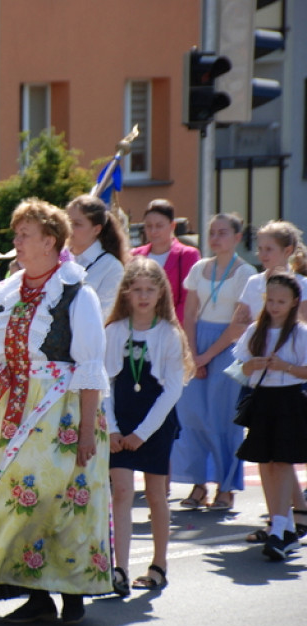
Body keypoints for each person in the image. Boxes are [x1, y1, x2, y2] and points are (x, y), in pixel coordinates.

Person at [0, 198, 111, 625]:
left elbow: (89, 365)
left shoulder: (77, 294)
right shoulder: (5, 296)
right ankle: (35, 592)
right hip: (8, 409)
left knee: (58, 500)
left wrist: (84, 430)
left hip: (60, 412)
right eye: (16, 234)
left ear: (50, 241)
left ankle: (72, 589)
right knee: (14, 500)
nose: (17, 243)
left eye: (24, 235)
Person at [105, 258, 194, 594]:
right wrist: (113, 428)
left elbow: (172, 388)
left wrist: (142, 433)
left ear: (160, 294)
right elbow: (104, 383)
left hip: (155, 422)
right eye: (137, 289)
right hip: (120, 417)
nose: (143, 296)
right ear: (126, 293)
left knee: (156, 494)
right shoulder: (114, 331)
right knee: (122, 491)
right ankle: (120, 569)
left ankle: (159, 564)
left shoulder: (169, 334)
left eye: (149, 290)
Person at [171, 213, 255, 512]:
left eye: (223, 232)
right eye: (212, 232)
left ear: (236, 237)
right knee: (193, 416)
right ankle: (198, 483)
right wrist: (193, 354)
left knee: (223, 419)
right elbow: (189, 314)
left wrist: (206, 356)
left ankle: (226, 486)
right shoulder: (198, 268)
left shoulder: (245, 274)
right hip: (197, 344)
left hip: (228, 349)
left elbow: (239, 325)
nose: (216, 237)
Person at [233, 221, 307, 542]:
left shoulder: (300, 286)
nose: (262, 254)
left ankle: (290, 517)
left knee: (283, 455)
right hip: (263, 386)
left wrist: (288, 366)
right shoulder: (254, 283)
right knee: (267, 456)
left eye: (269, 248)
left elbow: (299, 327)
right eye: (259, 248)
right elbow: (242, 324)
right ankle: (281, 520)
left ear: (287, 251)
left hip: (291, 390)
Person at [132, 199, 200, 324]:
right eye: (148, 226)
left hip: (173, 328)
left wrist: (167, 327)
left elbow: (188, 301)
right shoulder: (135, 255)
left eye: (159, 226)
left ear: (172, 226)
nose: (153, 231)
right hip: (140, 328)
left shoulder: (187, 255)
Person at [66, 194, 128, 320]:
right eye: (68, 222)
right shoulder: (59, 259)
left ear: (96, 229)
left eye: (77, 224)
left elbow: (103, 316)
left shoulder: (112, 267)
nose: (69, 229)